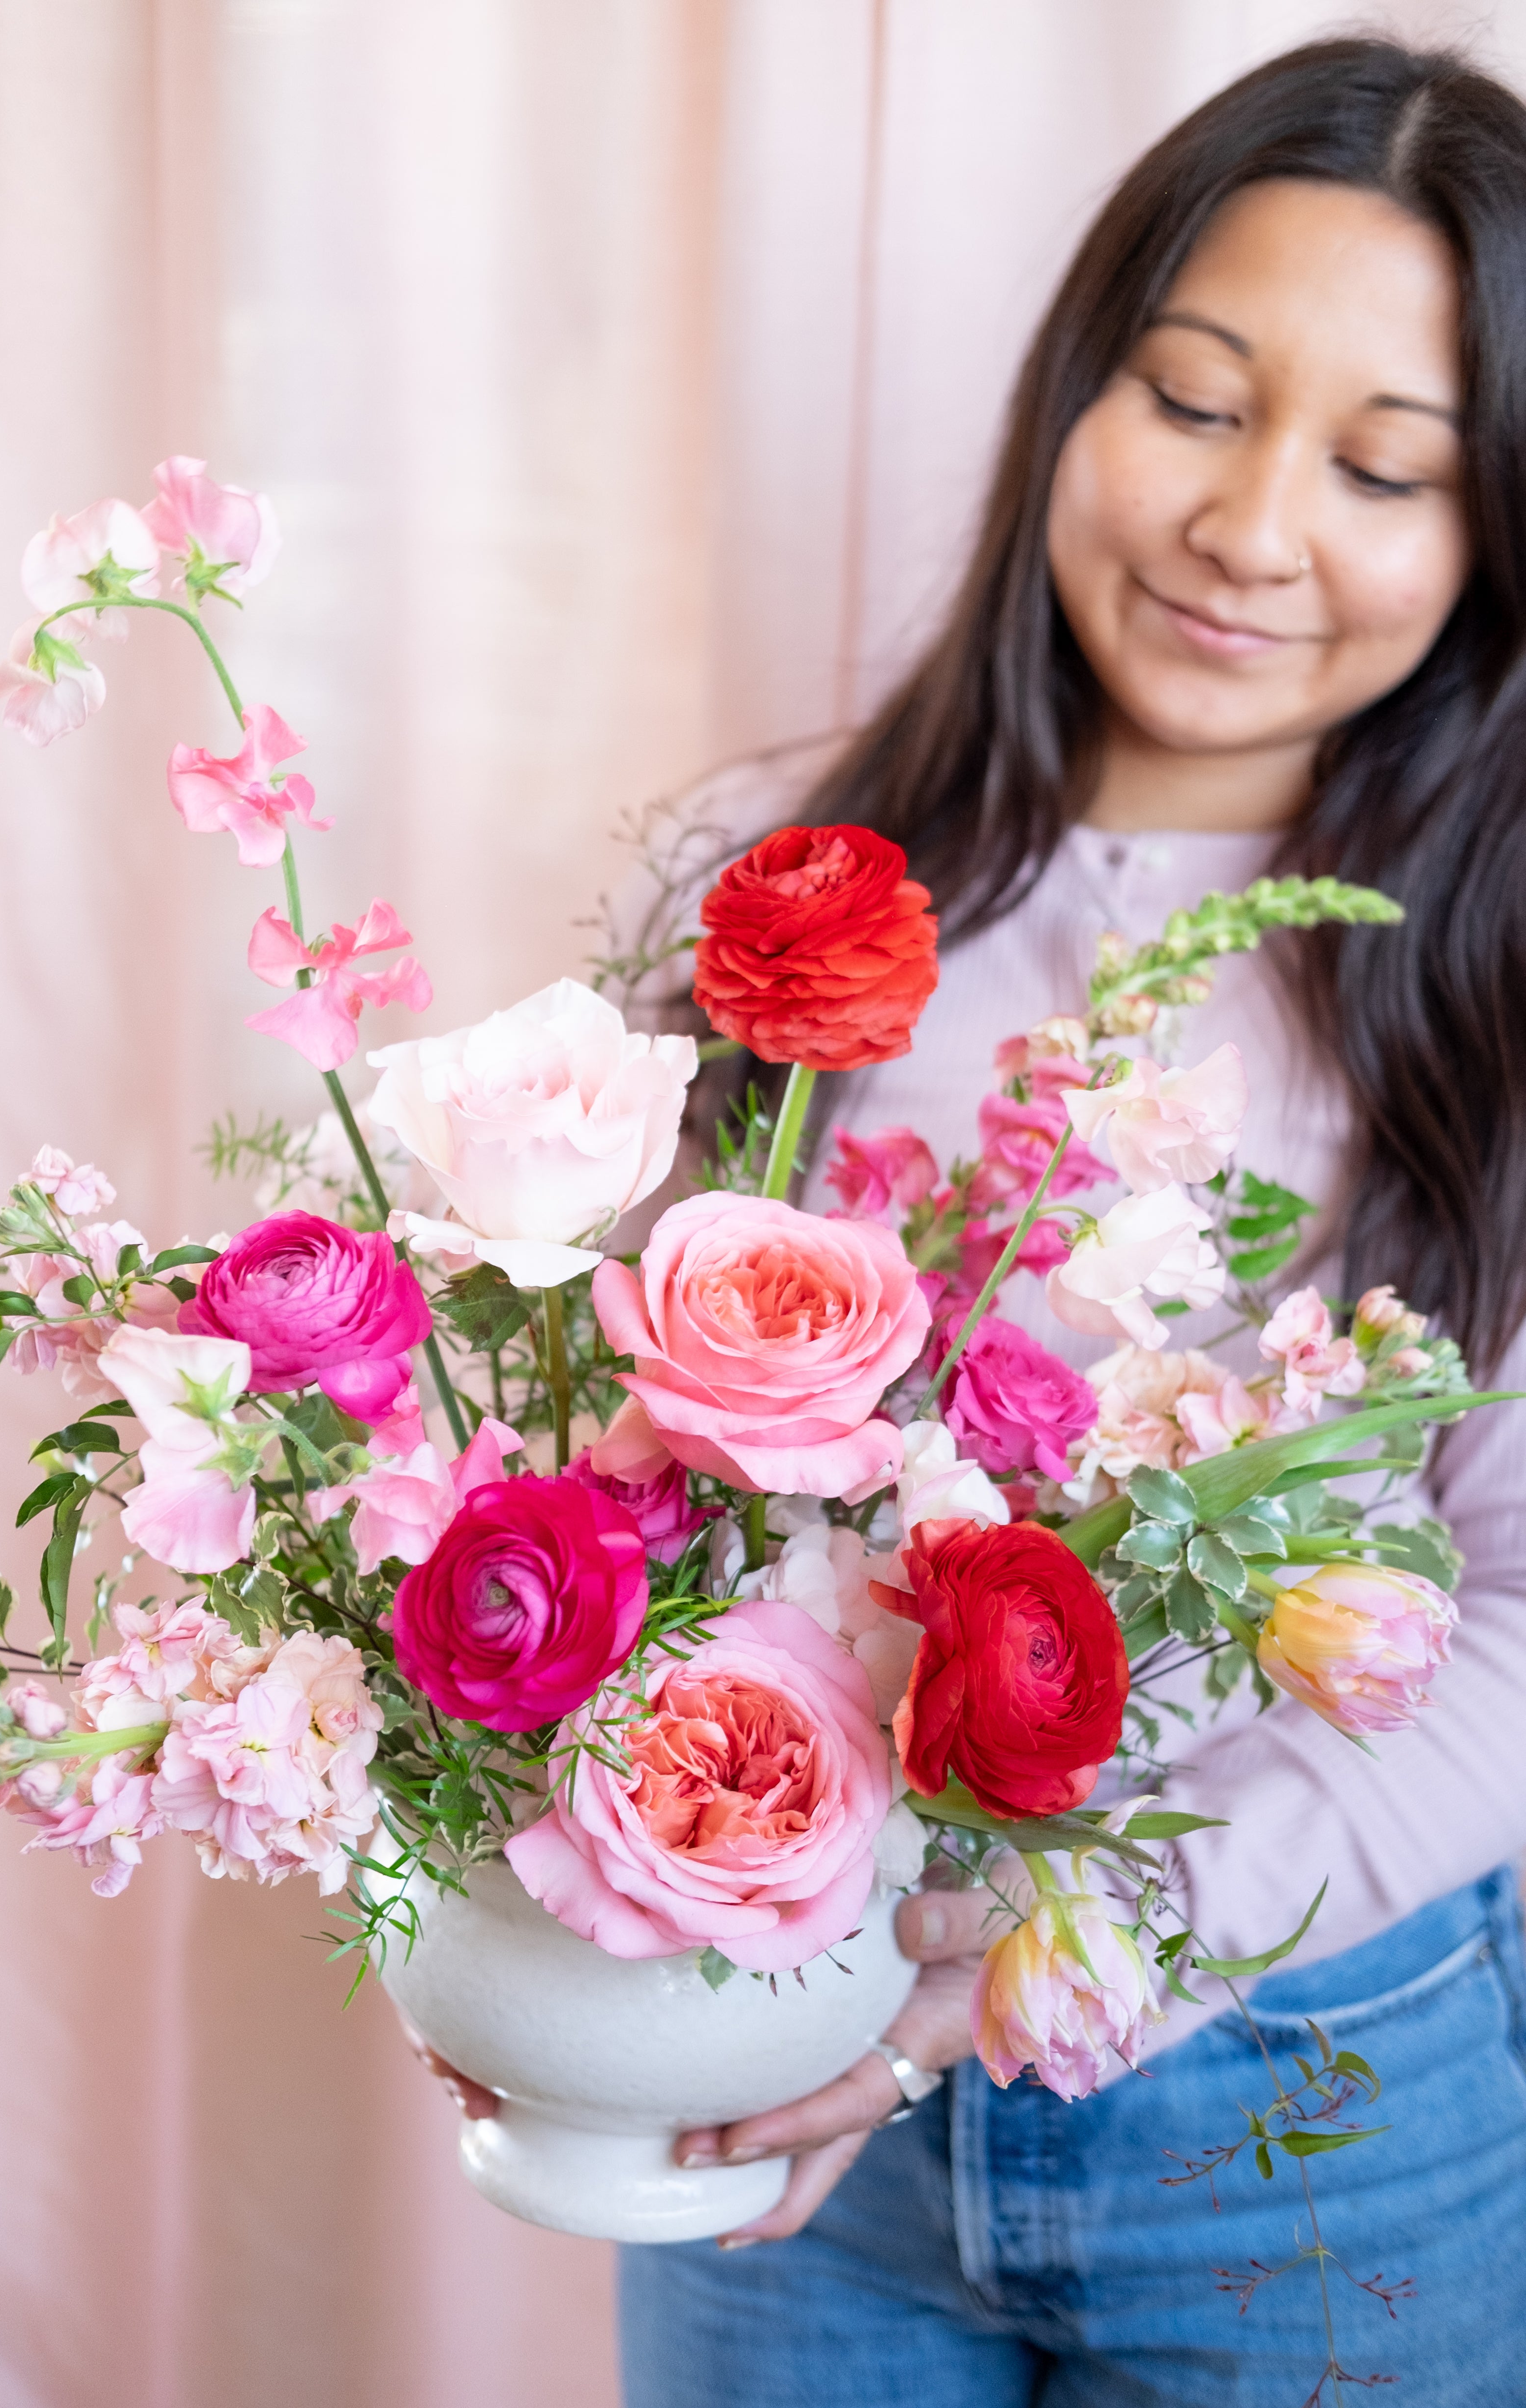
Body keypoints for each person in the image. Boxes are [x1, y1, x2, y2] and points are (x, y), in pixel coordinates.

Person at [421, 38, 1526, 2403]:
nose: (1251, 526)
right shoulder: (770, 887)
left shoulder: (1494, 1004)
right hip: (764, 2076)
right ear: (1075, 390)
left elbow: (1516, 1643)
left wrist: (1044, 1942)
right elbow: (564, 1472)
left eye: (1384, 467)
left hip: (1310, 2114)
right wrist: (518, 1908)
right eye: (1194, 400)